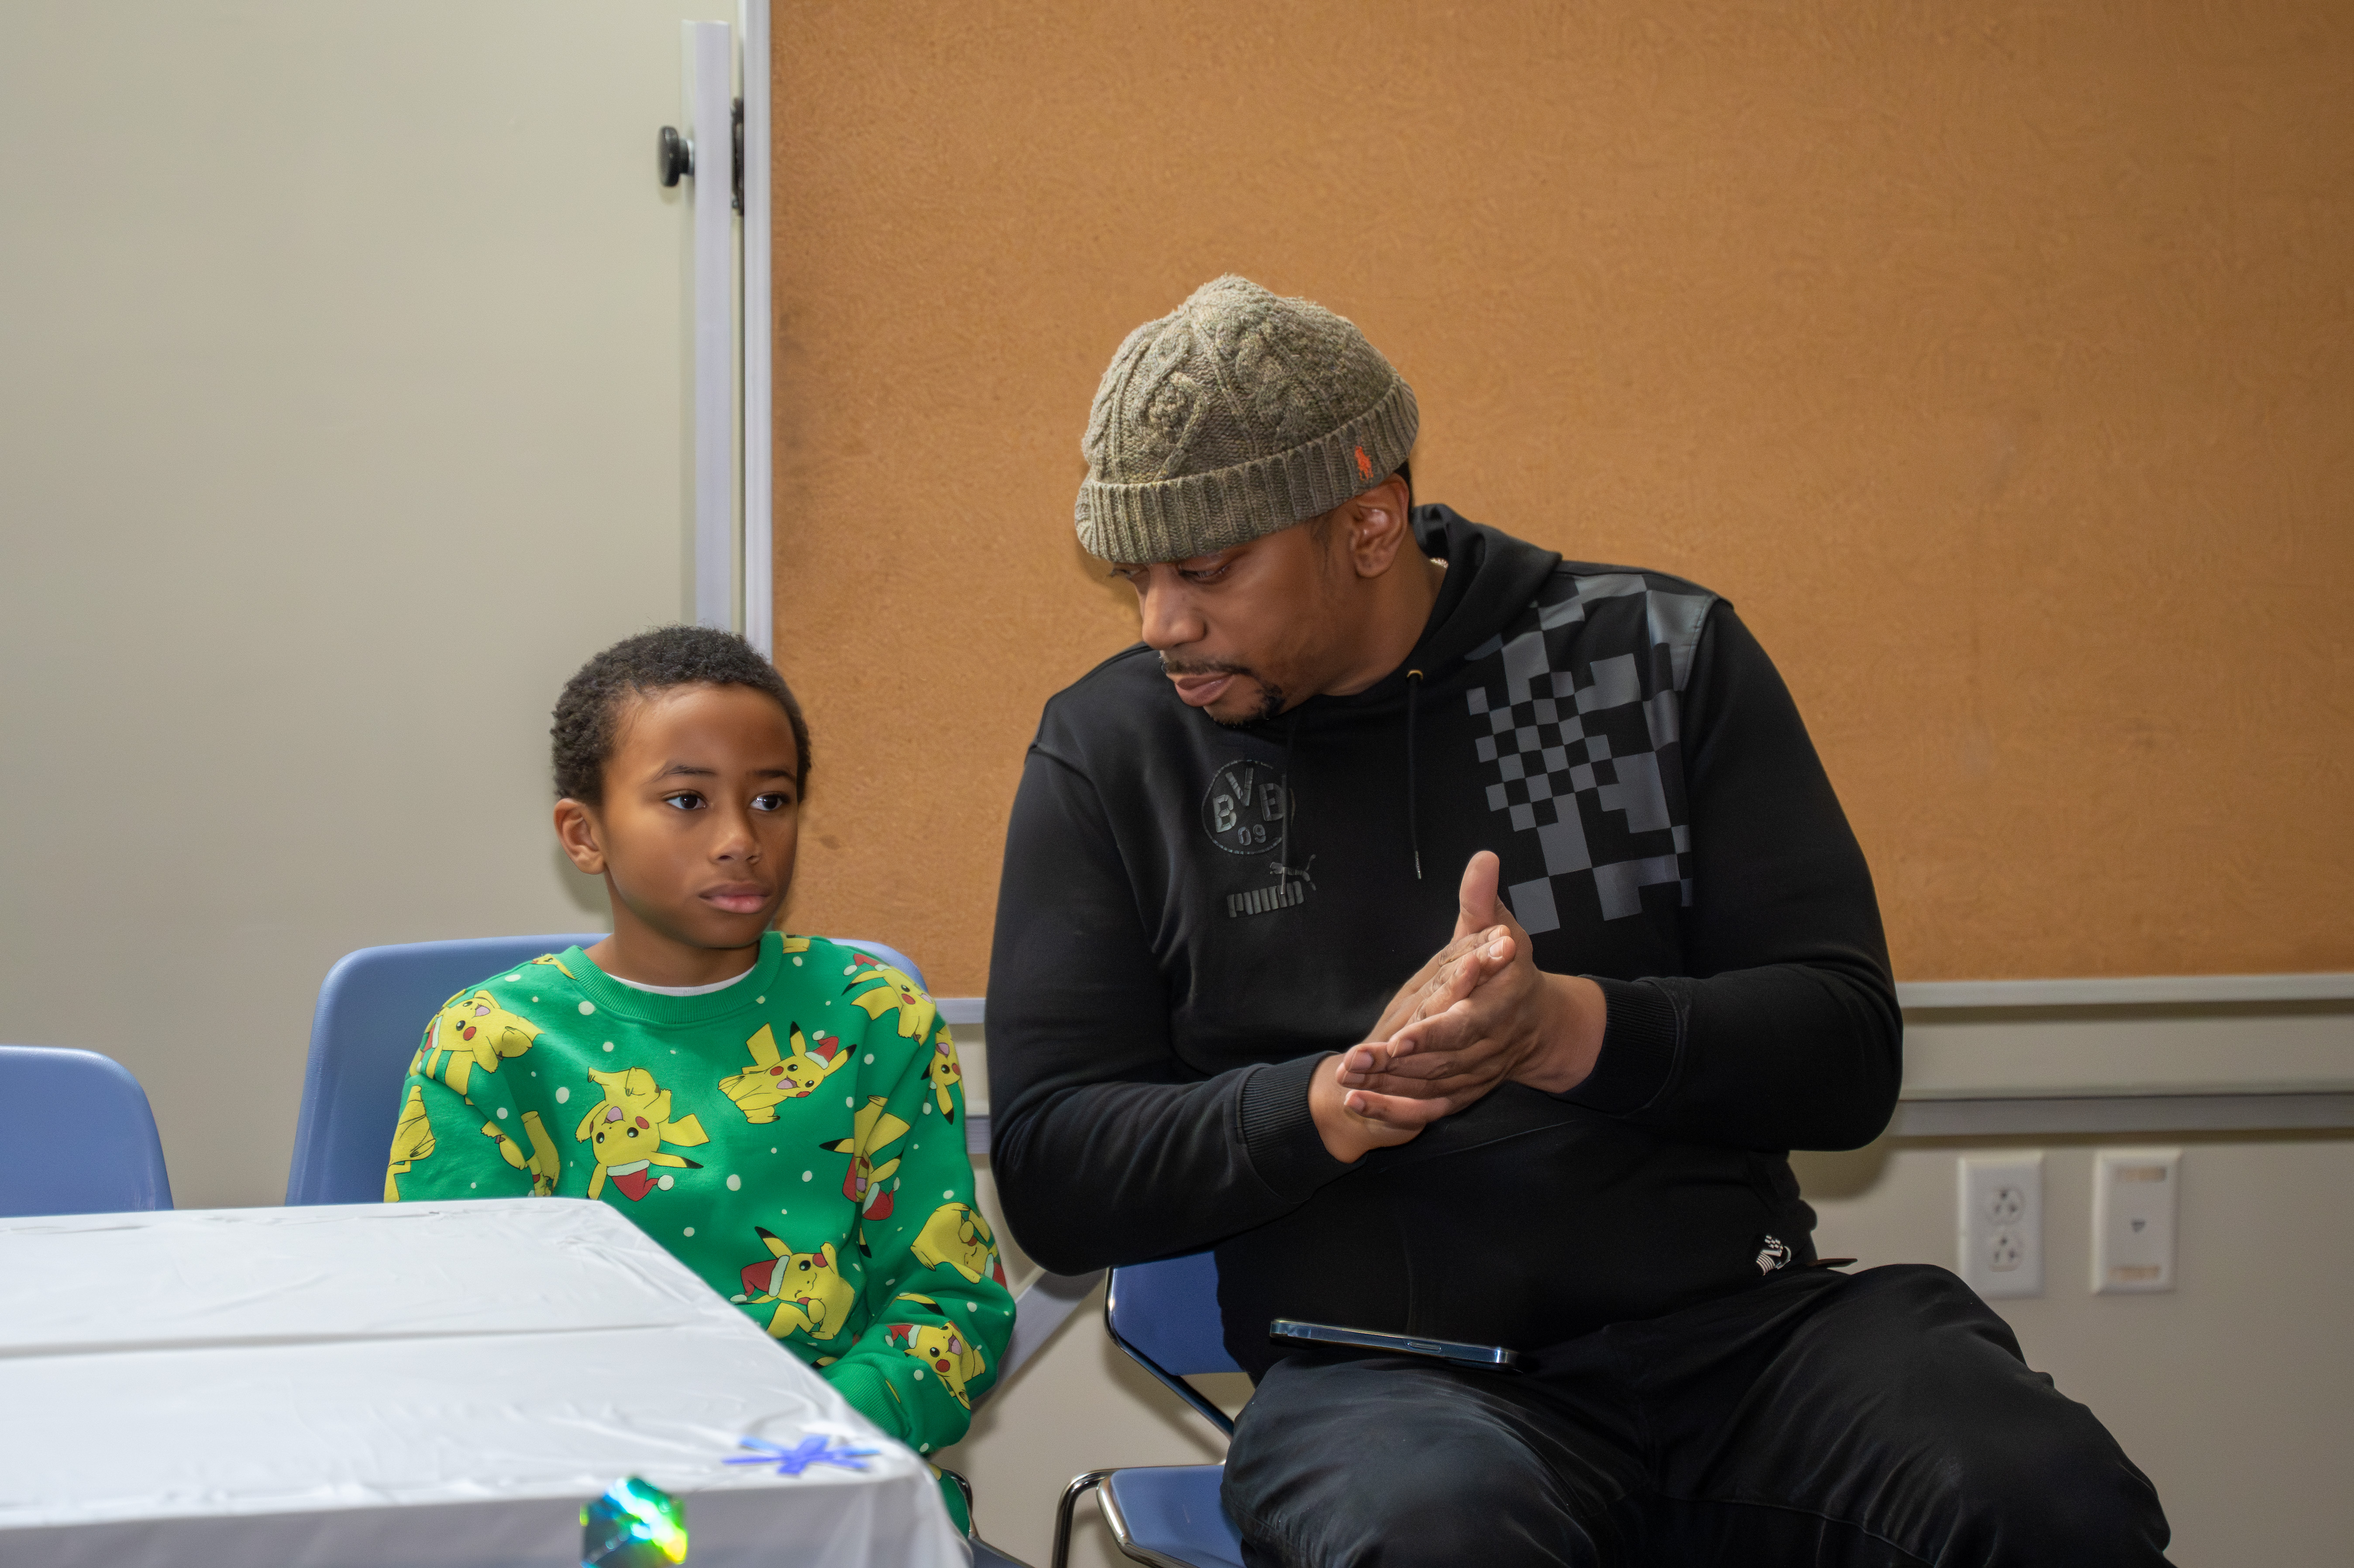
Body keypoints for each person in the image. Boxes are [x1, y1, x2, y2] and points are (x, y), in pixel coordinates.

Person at [987, 276, 2168, 1564]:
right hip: (1386, 1387)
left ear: (1371, 522)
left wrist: (1564, 1029)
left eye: (1206, 571)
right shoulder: (1117, 752)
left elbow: (1846, 1053)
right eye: (1137, 575)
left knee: (2034, 1492)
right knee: (1439, 1538)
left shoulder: (1654, 659)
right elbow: (1057, 1169)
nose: (1163, 622)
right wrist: (1337, 1101)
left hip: (1747, 1340)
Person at [384, 626, 1012, 1531]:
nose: (739, 839)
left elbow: (951, 1303)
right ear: (584, 832)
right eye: (686, 799)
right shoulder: (490, 1044)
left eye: (772, 798)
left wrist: (803, 1447)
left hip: (835, 1476)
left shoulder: (876, 1016)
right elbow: (456, 1339)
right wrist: (664, 1490)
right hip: (596, 1503)